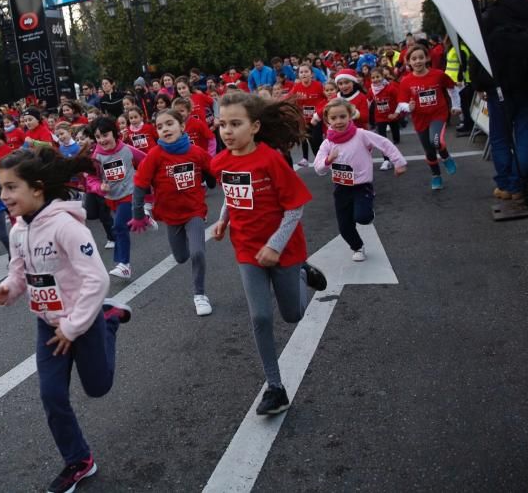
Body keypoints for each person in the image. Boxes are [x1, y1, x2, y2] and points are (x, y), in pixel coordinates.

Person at [0, 147, 131, 493]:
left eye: (11, 187)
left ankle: (108, 319)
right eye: (1, 188)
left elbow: (97, 279)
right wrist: (9, 288)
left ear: (37, 188)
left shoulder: (67, 227)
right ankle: (78, 460)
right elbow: (19, 273)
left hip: (82, 321)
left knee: (98, 388)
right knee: (52, 395)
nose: (3, 196)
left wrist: (74, 325)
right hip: (48, 325)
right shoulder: (18, 231)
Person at [211, 92, 324, 416]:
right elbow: (233, 192)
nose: (227, 131)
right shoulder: (222, 161)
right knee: (260, 317)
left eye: (236, 124)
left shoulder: (270, 159)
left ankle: (302, 273)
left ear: (255, 126)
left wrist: (275, 245)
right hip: (246, 249)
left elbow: (294, 208)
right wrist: (223, 220)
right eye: (222, 124)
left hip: (284, 249)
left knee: (293, 315)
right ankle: (275, 388)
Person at [473, 0, 528, 200]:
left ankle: (507, 184)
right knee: (526, 133)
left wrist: (478, 82)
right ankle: (520, 183)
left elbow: (478, 52)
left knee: (500, 136)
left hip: (499, 85)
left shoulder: (489, 16)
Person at [131, 108, 215, 316]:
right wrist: (138, 213)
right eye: (159, 127)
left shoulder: (195, 152)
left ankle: (200, 294)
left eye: (169, 124)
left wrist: (213, 177)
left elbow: (216, 168)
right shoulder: (155, 156)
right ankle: (183, 250)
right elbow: (140, 185)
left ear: (182, 126)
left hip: (194, 210)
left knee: (197, 252)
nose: (165, 129)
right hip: (170, 214)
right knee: (181, 257)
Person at [313, 98, 407, 261]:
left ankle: (369, 211)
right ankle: (357, 247)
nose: (339, 121)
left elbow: (384, 143)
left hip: (361, 186)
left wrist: (398, 162)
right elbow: (318, 168)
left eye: (342, 116)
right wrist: (328, 160)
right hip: (341, 188)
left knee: (362, 217)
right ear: (327, 120)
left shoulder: (360, 135)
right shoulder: (328, 143)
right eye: (333, 118)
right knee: (344, 227)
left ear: (350, 116)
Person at [395, 43, 460, 191]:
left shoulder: (438, 74)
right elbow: (401, 103)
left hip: (438, 114)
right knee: (429, 151)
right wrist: (408, 107)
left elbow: (452, 88)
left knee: (435, 141)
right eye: (414, 59)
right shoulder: (406, 81)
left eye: (420, 58)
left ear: (427, 58)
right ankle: (436, 176)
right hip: (420, 119)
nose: (417, 61)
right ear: (409, 62)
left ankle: (445, 157)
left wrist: (456, 106)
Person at [90, 118, 148, 280]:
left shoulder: (127, 150)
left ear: (114, 134)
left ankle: (124, 265)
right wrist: (99, 187)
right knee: (119, 227)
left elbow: (147, 161)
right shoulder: (97, 156)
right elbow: (91, 179)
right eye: (98, 137)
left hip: (130, 192)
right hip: (112, 197)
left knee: (119, 226)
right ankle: (143, 215)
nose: (102, 140)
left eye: (105, 135)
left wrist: (141, 180)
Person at [288, 64, 325, 168]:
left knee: (316, 141)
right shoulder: (296, 87)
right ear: (299, 75)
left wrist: (320, 111)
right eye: (301, 72)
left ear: (311, 74)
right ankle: (318, 161)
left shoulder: (318, 85)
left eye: (306, 72)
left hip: (316, 119)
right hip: (303, 120)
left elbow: (326, 98)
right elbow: (288, 98)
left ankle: (323, 159)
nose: (304, 74)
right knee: (308, 140)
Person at [370, 68, 402, 168]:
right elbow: (368, 100)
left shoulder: (390, 88)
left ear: (382, 77)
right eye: (373, 77)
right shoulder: (372, 89)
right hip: (380, 117)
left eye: (377, 77)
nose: (375, 79)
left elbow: (400, 100)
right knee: (382, 139)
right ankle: (386, 160)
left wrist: (396, 113)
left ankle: (397, 156)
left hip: (392, 116)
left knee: (396, 138)